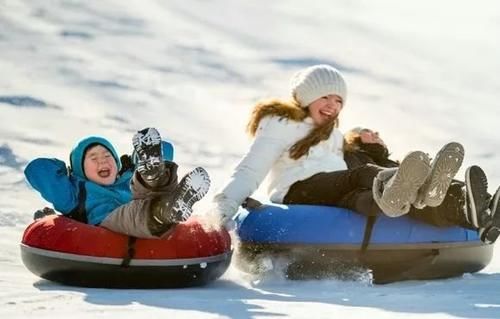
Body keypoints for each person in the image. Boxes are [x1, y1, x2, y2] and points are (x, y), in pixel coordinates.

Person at [209, 64, 472, 232]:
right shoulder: (282, 123)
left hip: (333, 188)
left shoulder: (334, 135)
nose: (333, 106)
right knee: (362, 175)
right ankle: (420, 187)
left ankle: (422, 194)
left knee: (360, 198)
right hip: (298, 189)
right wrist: (224, 207)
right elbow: (251, 168)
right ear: (307, 96)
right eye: (325, 97)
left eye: (338, 101)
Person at [24, 127, 210, 238]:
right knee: (134, 212)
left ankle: (154, 176)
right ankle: (167, 209)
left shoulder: (126, 178)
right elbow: (37, 169)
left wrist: (137, 160)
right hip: (110, 222)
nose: (103, 161)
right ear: (80, 169)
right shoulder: (75, 192)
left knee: (145, 185)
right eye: (93, 158)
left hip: (145, 202)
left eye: (107, 156)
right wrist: (68, 171)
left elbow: (166, 148)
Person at [344, 126, 500, 243]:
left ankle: (485, 208)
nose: (376, 134)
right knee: (423, 197)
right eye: (367, 131)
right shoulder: (354, 155)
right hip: (385, 193)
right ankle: (473, 213)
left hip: (411, 193)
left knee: (439, 186)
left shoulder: (392, 161)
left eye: (377, 133)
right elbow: (360, 177)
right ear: (353, 138)